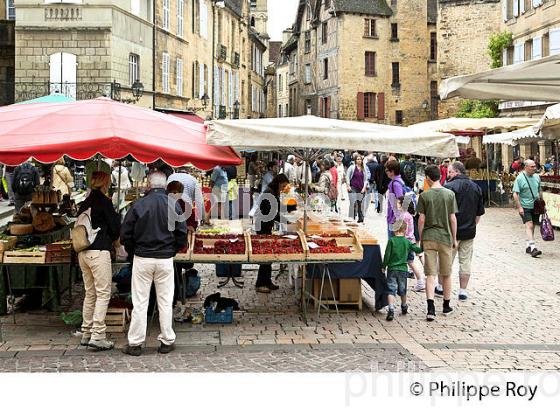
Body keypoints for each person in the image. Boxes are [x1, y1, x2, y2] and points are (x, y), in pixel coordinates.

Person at [121, 172, 187, 356]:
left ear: (148, 185)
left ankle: (135, 343)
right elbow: (182, 234)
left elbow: (125, 234)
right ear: (165, 186)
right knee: (165, 301)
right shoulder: (173, 204)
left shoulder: (138, 204)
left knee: (140, 302)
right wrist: (172, 250)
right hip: (164, 258)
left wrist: (134, 250)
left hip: (143, 258)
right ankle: (167, 340)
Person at [76, 171, 121, 351]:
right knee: (103, 293)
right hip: (98, 250)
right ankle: (98, 335)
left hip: (83, 253)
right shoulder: (104, 202)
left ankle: (86, 332)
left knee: (90, 293)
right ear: (105, 184)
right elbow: (115, 228)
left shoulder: (85, 202)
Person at [417, 165, 458, 322]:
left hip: (429, 237)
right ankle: (446, 305)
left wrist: (421, 238)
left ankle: (430, 308)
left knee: (430, 273)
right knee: (446, 273)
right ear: (440, 176)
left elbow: (421, 219)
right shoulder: (449, 194)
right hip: (445, 237)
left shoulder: (425, 196)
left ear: (427, 177)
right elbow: (452, 218)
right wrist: (454, 238)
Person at [444, 161, 485, 300]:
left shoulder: (448, 187)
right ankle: (463, 290)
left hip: (451, 231)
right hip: (469, 231)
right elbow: (479, 213)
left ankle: (441, 286)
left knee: (446, 261)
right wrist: (472, 225)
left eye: (449, 172)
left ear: (456, 172)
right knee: (465, 261)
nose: (448, 174)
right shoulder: (476, 187)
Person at [254, 174, 290, 293]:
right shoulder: (269, 192)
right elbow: (272, 212)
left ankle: (267, 281)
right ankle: (260, 284)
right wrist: (285, 220)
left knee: (268, 255)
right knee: (265, 256)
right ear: (278, 183)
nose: (283, 188)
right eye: (283, 186)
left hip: (266, 225)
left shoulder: (273, 191)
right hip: (262, 226)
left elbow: (277, 208)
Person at [382, 221, 423, 321]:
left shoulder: (391, 241)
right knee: (402, 289)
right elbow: (417, 250)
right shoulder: (407, 241)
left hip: (392, 269)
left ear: (395, 230)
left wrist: (384, 266)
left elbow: (387, 255)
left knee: (391, 289)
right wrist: (423, 246)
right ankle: (404, 306)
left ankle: (391, 308)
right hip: (403, 270)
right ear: (405, 230)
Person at [512, 159, 543, 258]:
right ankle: (533, 248)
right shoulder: (520, 178)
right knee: (529, 224)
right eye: (532, 167)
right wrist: (519, 207)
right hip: (525, 206)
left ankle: (528, 245)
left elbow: (539, 190)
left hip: (535, 205)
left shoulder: (537, 177)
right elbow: (515, 194)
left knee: (533, 225)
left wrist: (542, 203)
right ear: (526, 167)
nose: (535, 168)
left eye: (535, 166)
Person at [397, 196, 425, 292]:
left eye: (398, 203)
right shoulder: (409, 215)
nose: (397, 205)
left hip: (405, 242)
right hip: (411, 241)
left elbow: (401, 230)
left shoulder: (403, 216)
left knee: (403, 263)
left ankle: (400, 283)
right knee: (410, 262)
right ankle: (420, 282)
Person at [385, 160, 406, 239]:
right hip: (394, 216)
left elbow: (400, 201)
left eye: (387, 170)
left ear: (392, 171)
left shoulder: (396, 184)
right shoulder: (398, 181)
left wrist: (395, 218)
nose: (386, 172)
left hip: (394, 218)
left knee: (393, 242)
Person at [346, 155, 368, 223]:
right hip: (353, 187)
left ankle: (361, 219)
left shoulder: (364, 169)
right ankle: (351, 218)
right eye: (358, 159)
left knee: (360, 204)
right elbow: (347, 176)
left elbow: (366, 179)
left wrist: (364, 188)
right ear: (355, 160)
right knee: (353, 202)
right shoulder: (352, 167)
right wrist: (348, 185)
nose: (359, 160)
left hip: (361, 188)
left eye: (360, 159)